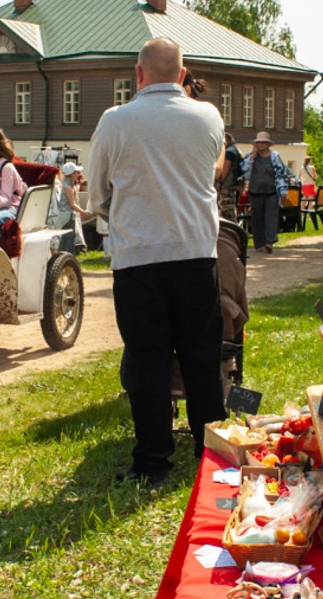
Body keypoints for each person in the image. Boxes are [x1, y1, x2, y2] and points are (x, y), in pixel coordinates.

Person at [87, 37, 226, 485]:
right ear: (183, 76)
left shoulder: (115, 121)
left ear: (138, 74)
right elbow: (208, 176)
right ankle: (211, 455)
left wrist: (123, 213)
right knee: (201, 356)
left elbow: (97, 194)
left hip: (138, 256)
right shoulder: (208, 116)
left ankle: (152, 462)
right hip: (194, 251)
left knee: (147, 361)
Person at [236, 131, 296, 252]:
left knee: (271, 216)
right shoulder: (250, 157)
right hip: (255, 191)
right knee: (257, 218)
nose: (261, 145)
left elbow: (281, 174)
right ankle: (259, 243)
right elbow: (243, 169)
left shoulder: (274, 156)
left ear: (268, 144)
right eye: (259, 142)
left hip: (271, 191)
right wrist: (252, 156)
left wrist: (283, 191)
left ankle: (270, 241)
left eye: (264, 142)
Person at [216, 133, 243, 221]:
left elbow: (226, 167)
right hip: (234, 184)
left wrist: (220, 182)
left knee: (227, 211)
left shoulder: (229, 151)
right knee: (230, 210)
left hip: (227, 185)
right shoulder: (236, 150)